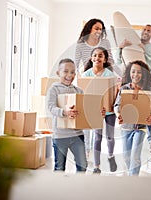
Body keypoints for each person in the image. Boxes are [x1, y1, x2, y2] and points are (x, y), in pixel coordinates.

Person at [75, 18, 116, 158]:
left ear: (104, 59)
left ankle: (109, 155)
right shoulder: (81, 45)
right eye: (96, 28)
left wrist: (120, 78)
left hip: (107, 109)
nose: (99, 31)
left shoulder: (108, 73)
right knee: (89, 130)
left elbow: (112, 63)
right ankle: (87, 152)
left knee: (105, 135)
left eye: (101, 29)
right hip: (92, 106)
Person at [116, 24, 151, 153]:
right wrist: (120, 48)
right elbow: (120, 61)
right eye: (144, 30)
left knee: (146, 108)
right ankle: (129, 133)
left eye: (149, 31)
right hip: (129, 80)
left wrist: (144, 52)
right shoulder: (132, 43)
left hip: (144, 81)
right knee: (129, 107)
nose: (146, 32)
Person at [114, 60, 151, 176]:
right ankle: (131, 174)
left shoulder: (148, 90)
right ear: (129, 73)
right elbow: (116, 105)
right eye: (133, 72)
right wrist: (118, 114)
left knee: (135, 156)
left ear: (144, 74)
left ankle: (133, 180)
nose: (135, 75)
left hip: (140, 127)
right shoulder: (124, 89)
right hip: (126, 127)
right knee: (127, 156)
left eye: (139, 72)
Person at [46, 58, 89, 172]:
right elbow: (51, 107)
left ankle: (78, 187)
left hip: (77, 135)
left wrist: (98, 112)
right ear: (58, 73)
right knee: (59, 167)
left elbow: (85, 111)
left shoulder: (79, 91)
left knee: (83, 165)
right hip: (60, 136)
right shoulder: (54, 89)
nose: (69, 75)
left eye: (72, 72)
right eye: (65, 71)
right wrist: (64, 111)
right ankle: (60, 189)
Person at [82, 47, 117, 174]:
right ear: (91, 58)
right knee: (97, 137)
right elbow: (83, 93)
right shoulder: (86, 75)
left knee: (110, 137)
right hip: (96, 111)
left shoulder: (110, 75)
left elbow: (115, 93)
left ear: (105, 59)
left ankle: (111, 156)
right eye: (95, 55)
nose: (97, 58)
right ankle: (97, 166)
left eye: (100, 56)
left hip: (109, 111)